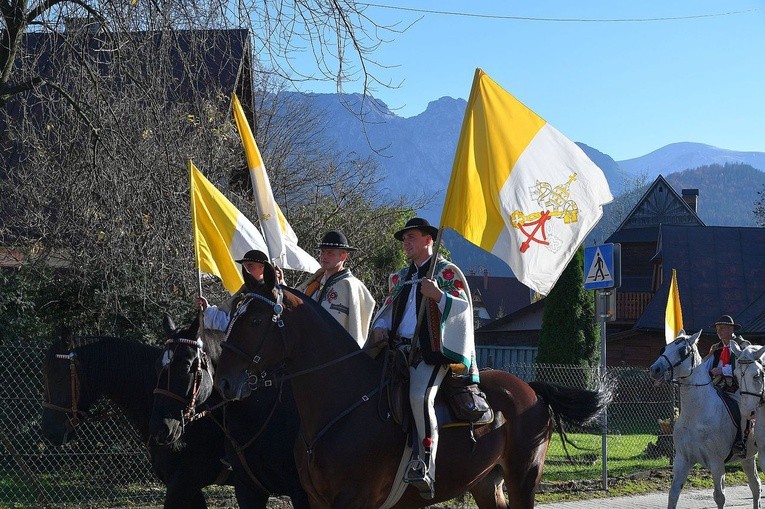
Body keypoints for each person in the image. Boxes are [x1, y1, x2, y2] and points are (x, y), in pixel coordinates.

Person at [368, 217, 479, 500]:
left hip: (429, 353)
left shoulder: (446, 272)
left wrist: (439, 296)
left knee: (419, 397)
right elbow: (388, 308)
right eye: (405, 239)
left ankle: (424, 464)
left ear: (429, 240)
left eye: (412, 237)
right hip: (396, 351)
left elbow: (464, 310)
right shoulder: (400, 277)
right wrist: (379, 327)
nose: (406, 242)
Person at [297, 231, 376, 347]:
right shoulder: (314, 282)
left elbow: (356, 331)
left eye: (330, 253)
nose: (324, 256)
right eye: (323, 252)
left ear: (343, 256)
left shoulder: (352, 286)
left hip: (334, 354)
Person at [197, 249, 277, 331]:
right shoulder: (244, 293)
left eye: (250, 266)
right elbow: (228, 324)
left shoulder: (275, 293)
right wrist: (206, 308)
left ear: (263, 268)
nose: (246, 271)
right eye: (244, 267)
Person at [704, 314, 749, 454]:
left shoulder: (743, 345)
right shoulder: (716, 347)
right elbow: (706, 365)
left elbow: (745, 367)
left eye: (722, 328)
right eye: (717, 329)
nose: (718, 331)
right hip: (717, 387)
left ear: (731, 329)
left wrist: (722, 370)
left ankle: (740, 440)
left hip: (739, 387)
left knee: (738, 408)